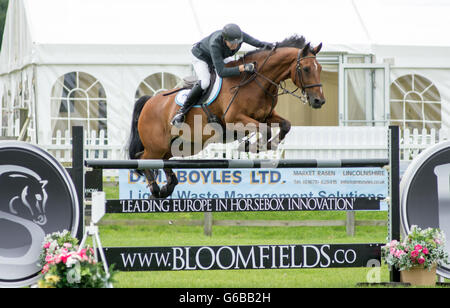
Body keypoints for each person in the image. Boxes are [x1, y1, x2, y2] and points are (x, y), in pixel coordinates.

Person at [170, 23, 273, 127]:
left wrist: (273, 46)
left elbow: (258, 43)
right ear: (224, 39)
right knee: (205, 82)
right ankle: (181, 112)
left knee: (237, 72)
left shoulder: (239, 36)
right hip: (201, 57)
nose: (235, 46)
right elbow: (222, 72)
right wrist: (242, 68)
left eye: (237, 43)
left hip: (220, 56)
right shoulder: (215, 43)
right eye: (232, 43)